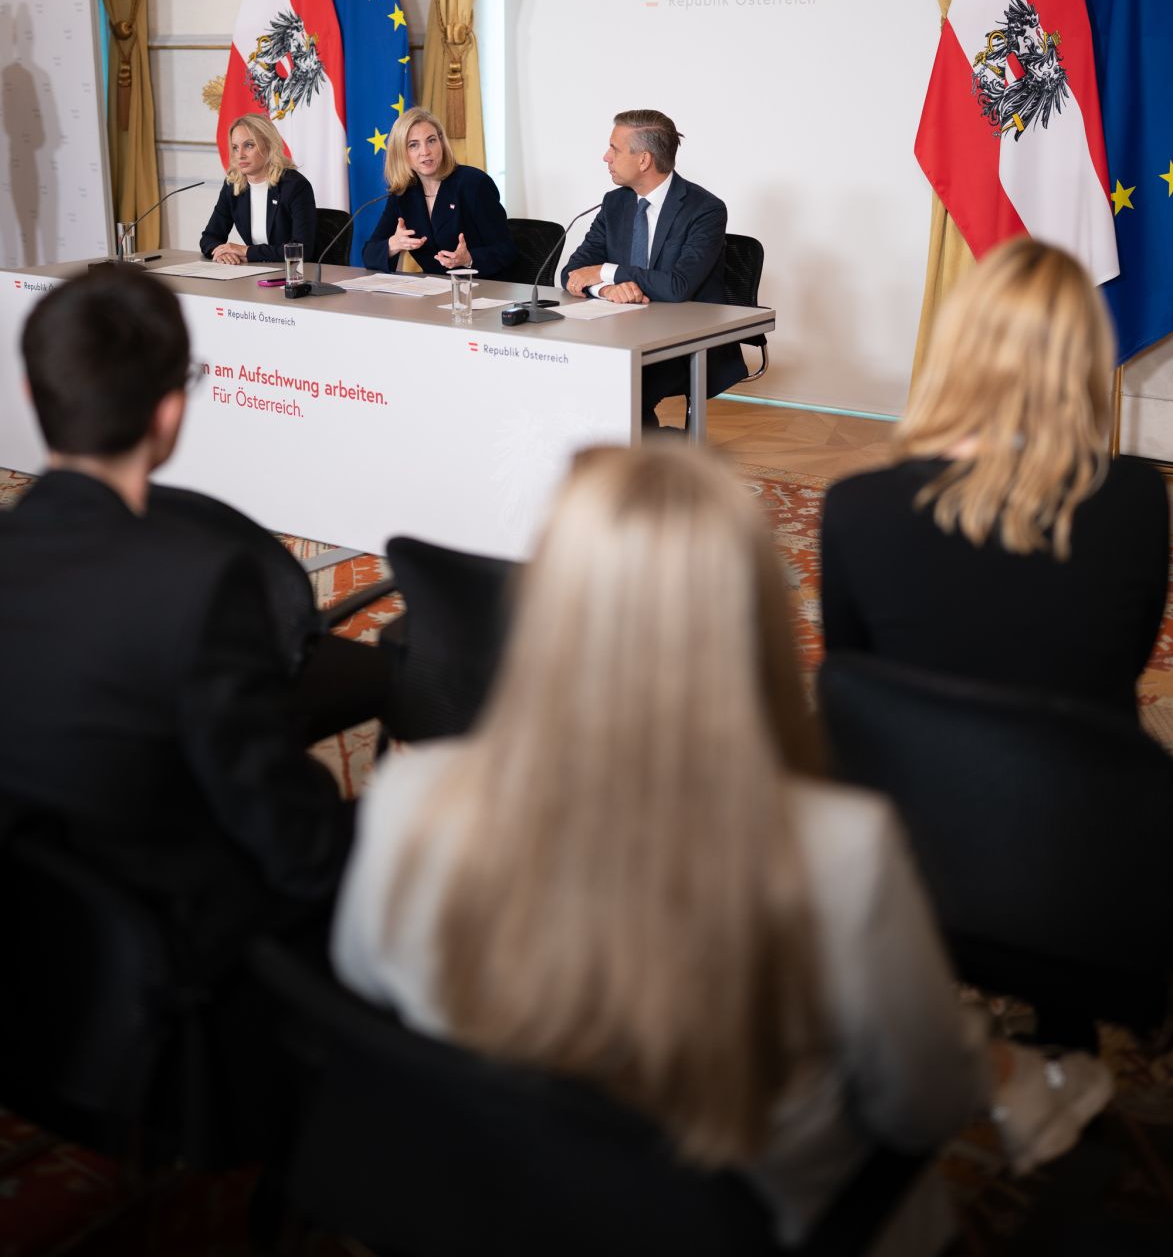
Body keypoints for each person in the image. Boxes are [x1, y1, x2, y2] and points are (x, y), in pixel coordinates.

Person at [333, 443, 1111, 1249]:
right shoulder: (840, 853)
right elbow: (923, 1107)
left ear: (541, 603)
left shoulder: (407, 799)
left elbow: (365, 992)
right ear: (754, 618)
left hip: (495, 1208)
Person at [0, 263, 373, 969]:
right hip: (180, 962)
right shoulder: (201, 587)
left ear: (32, 396)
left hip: (34, 962)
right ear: (169, 414)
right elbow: (297, 849)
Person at [820, 238, 1169, 717]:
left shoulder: (856, 507)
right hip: (1081, 777)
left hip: (906, 777)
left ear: (955, 345)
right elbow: (1126, 662)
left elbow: (851, 675)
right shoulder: (1138, 499)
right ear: (1086, 356)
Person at [560, 109, 747, 423]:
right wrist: (607, 288)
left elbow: (677, 286)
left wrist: (607, 271)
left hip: (686, 344)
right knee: (574, 375)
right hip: (621, 334)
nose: (606, 157)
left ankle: (641, 467)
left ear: (643, 159)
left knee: (619, 387)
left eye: (614, 149)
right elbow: (572, 272)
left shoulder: (705, 210)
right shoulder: (615, 202)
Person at [360, 106, 515, 277]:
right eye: (413, 145)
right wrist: (393, 244)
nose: (425, 152)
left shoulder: (473, 184)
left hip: (480, 290)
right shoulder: (403, 194)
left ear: (441, 143)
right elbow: (369, 255)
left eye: (431, 140)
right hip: (433, 294)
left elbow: (507, 250)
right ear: (401, 153)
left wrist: (469, 259)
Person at [199, 112, 317, 264]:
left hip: (294, 276)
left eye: (249, 145)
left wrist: (246, 251)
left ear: (269, 146)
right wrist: (221, 253)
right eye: (235, 147)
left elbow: (302, 250)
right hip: (254, 273)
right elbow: (209, 238)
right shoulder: (234, 185)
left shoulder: (294, 186)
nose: (240, 155)